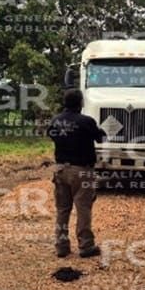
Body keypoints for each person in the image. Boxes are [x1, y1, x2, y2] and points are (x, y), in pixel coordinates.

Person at [47, 88, 106, 258]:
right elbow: (100, 139)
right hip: (82, 171)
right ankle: (86, 246)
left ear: (64, 102)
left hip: (60, 170)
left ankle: (61, 246)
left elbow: (53, 136)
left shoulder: (56, 121)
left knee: (62, 210)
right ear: (81, 103)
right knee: (83, 208)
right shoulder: (87, 121)